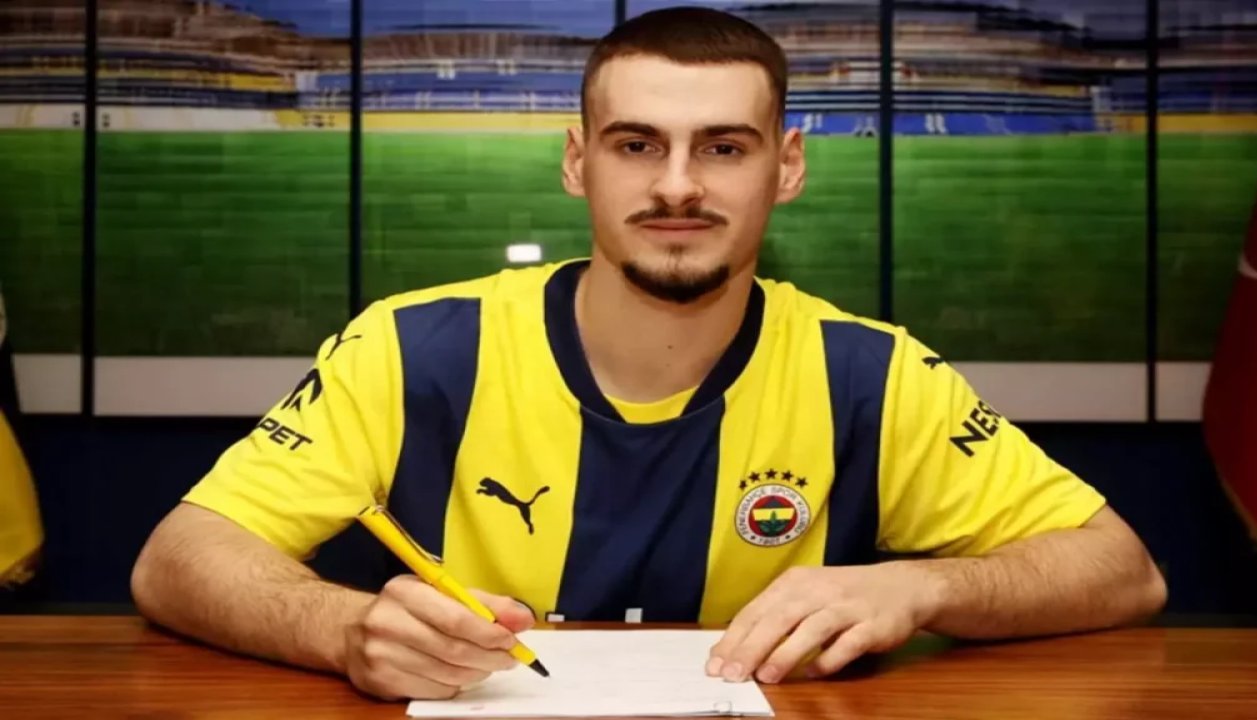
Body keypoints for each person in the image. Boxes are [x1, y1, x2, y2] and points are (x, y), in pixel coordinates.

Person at [131, 6, 1166, 702]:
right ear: (577, 162)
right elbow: (179, 560)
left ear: (786, 168)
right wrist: (345, 631)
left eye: (723, 147)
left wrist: (916, 589)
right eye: (636, 145)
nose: (677, 186)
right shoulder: (409, 346)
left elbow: (1120, 571)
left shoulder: (869, 373)